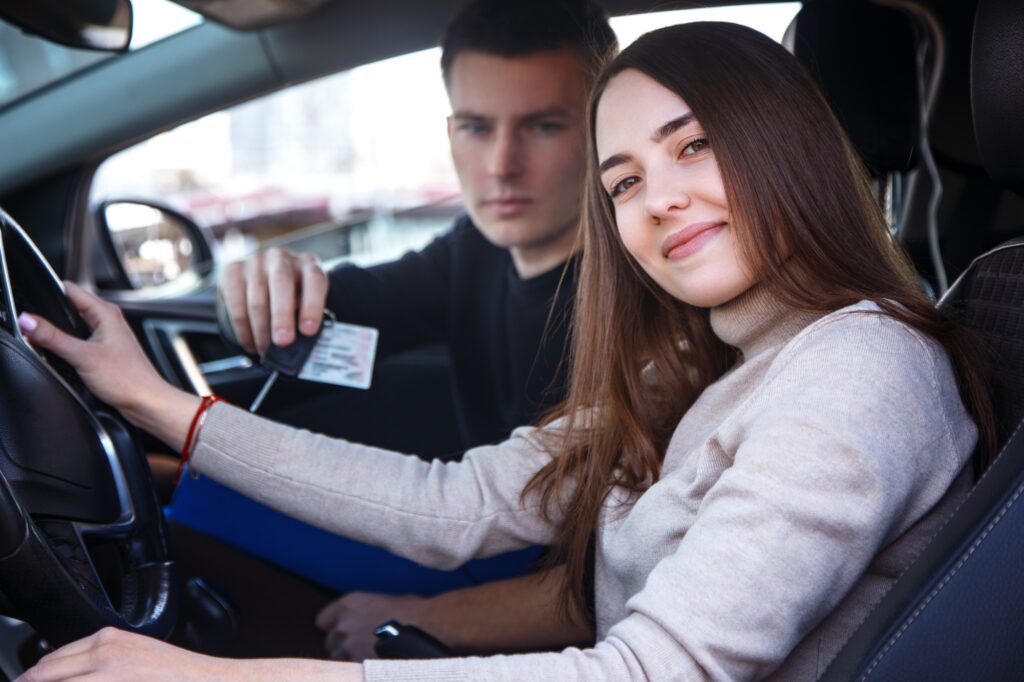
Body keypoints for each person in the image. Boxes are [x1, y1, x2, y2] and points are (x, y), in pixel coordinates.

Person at [17, 19, 994, 681]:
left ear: (785, 144)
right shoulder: (699, 363)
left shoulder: (857, 370)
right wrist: (154, 402)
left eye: (693, 146)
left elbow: (645, 672)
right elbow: (461, 503)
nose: (658, 199)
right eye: (624, 181)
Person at [211, 0, 617, 660]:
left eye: (543, 126)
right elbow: (345, 304)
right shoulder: (473, 252)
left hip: (547, 608)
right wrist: (256, 292)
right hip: (471, 543)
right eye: (477, 127)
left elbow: (617, 578)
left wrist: (433, 618)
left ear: (603, 130)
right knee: (196, 498)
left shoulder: (641, 299)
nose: (501, 166)